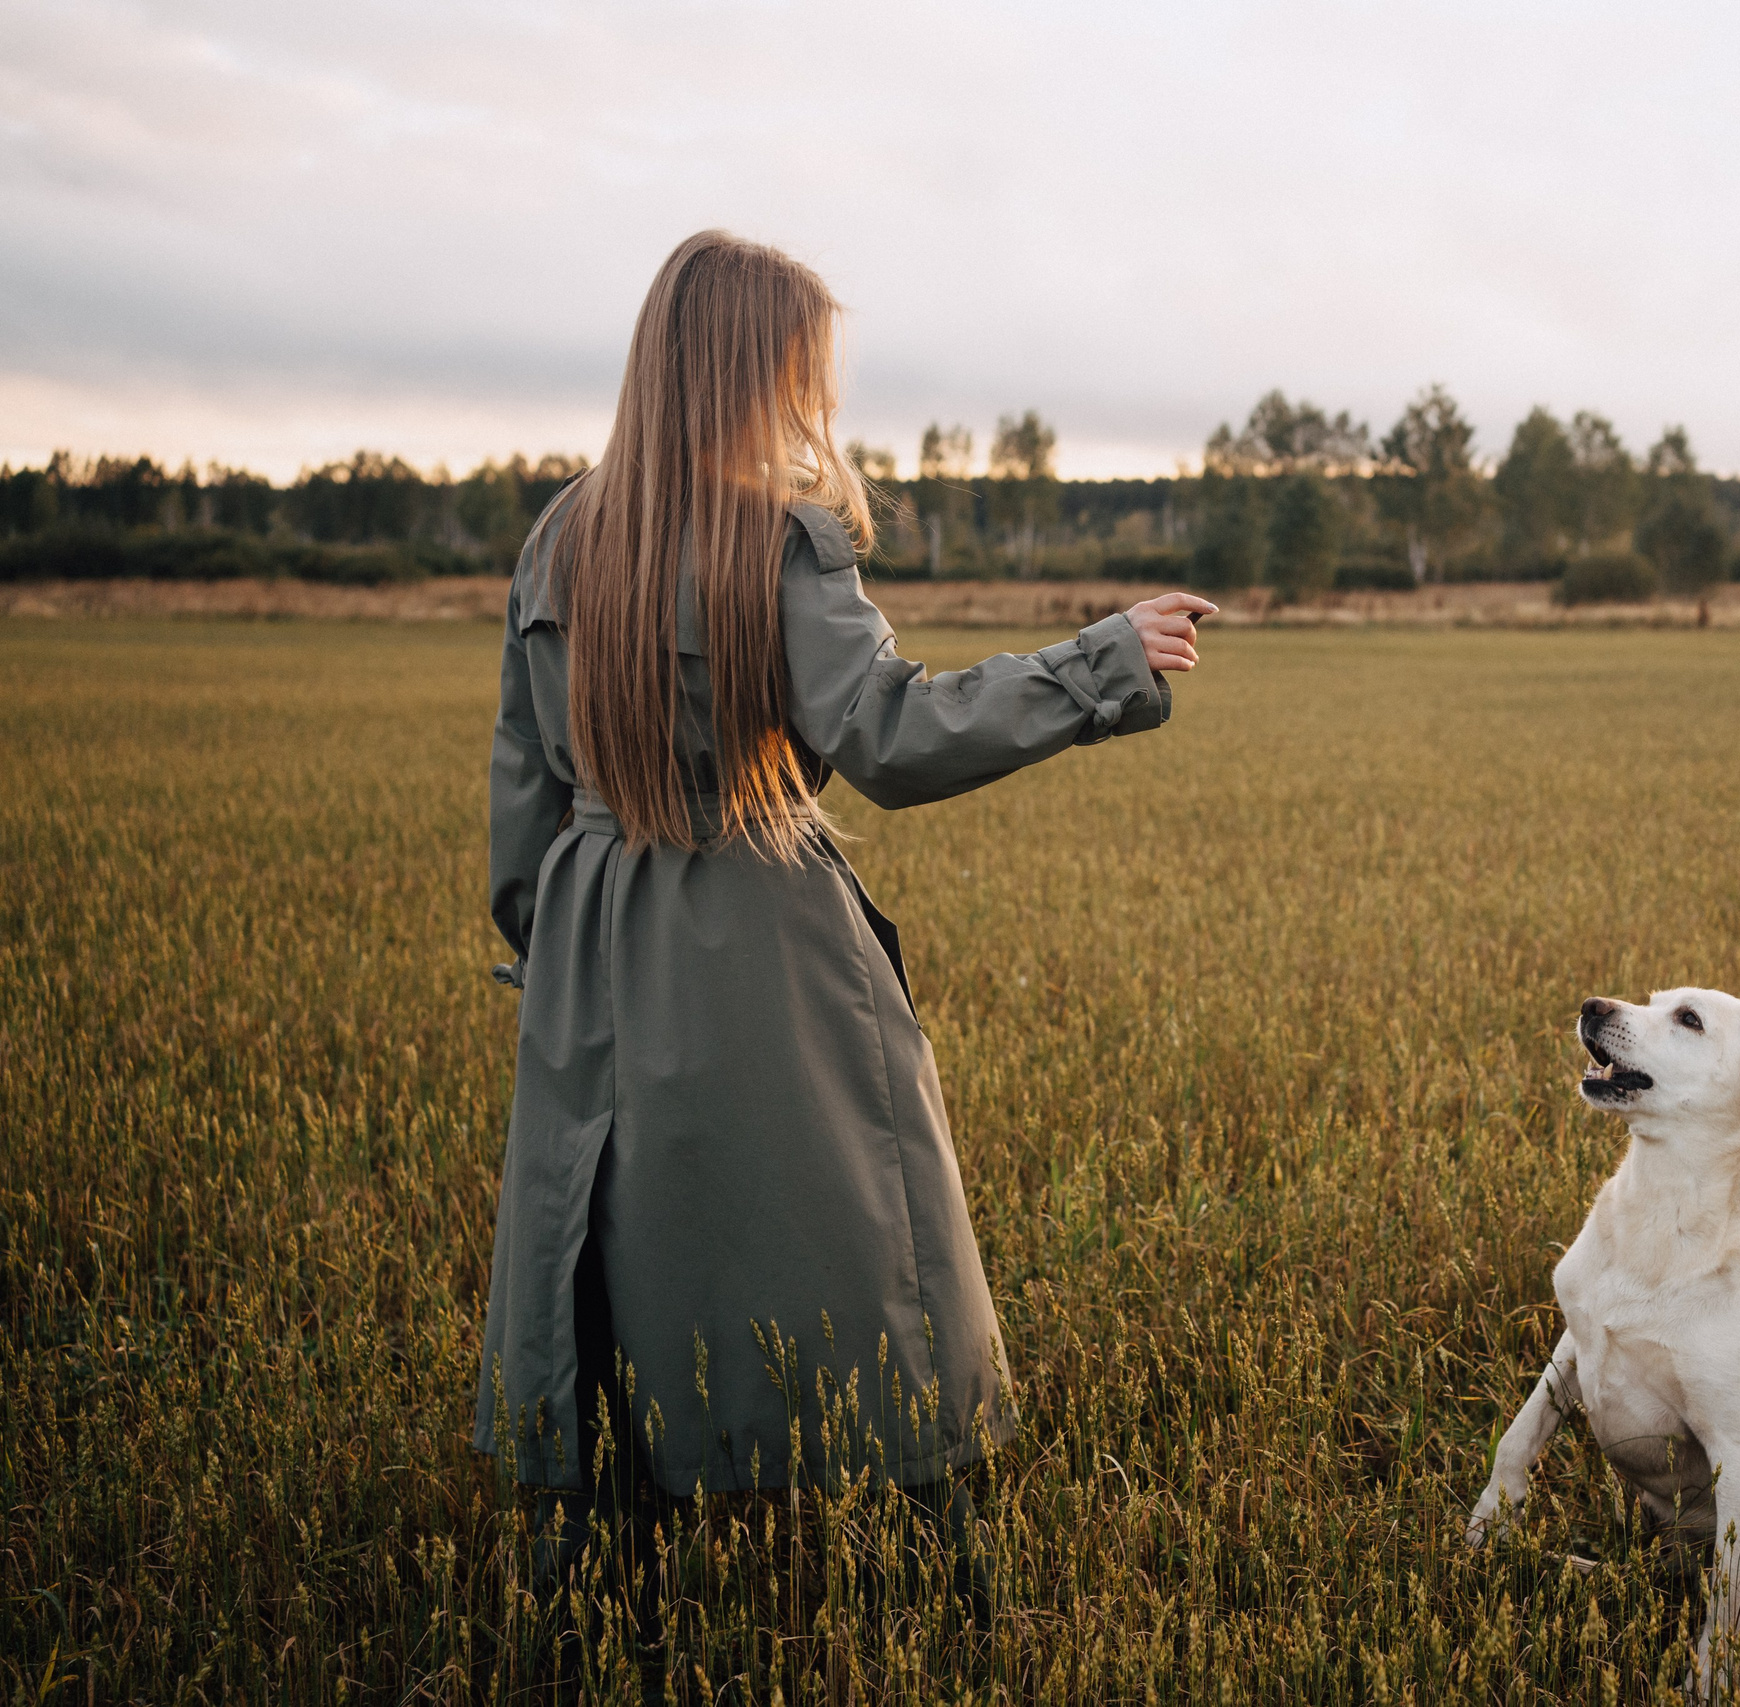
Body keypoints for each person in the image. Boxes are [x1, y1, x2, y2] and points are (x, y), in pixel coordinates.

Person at [472, 229, 1213, 1605]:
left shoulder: (557, 538)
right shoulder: (779, 540)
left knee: (611, 1233)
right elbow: (893, 734)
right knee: (866, 1235)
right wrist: (1100, 659)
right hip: (758, 925)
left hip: (589, 934)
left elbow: (522, 794)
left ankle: (610, 1543)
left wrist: (557, 951)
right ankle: (925, 1553)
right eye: (805, 365)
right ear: (757, 367)